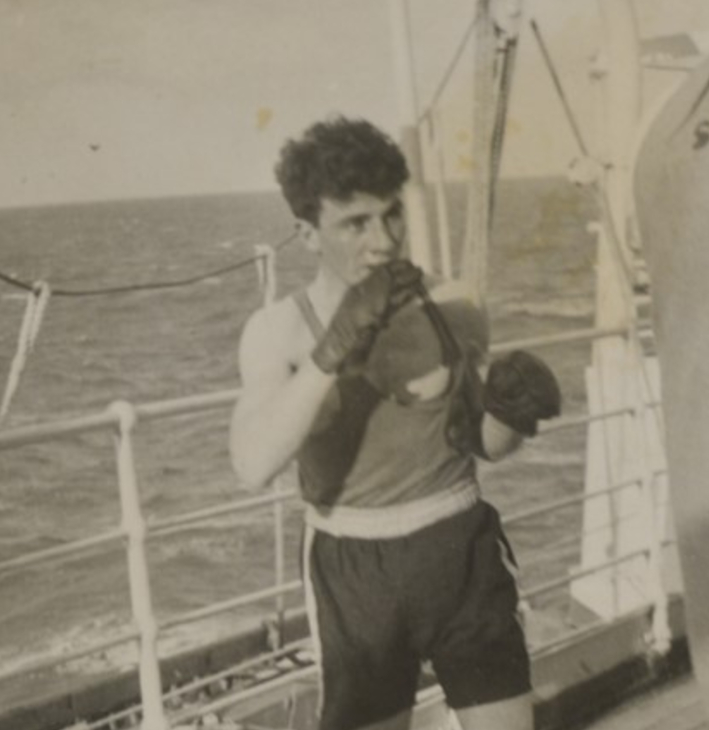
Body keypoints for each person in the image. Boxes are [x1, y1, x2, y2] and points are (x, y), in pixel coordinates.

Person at [229, 116, 560, 730]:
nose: (383, 241)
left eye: (392, 215)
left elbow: (478, 444)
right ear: (307, 233)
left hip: (458, 544)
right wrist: (334, 349)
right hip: (357, 569)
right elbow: (251, 464)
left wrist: (515, 413)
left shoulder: (453, 305)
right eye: (355, 223)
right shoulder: (280, 330)